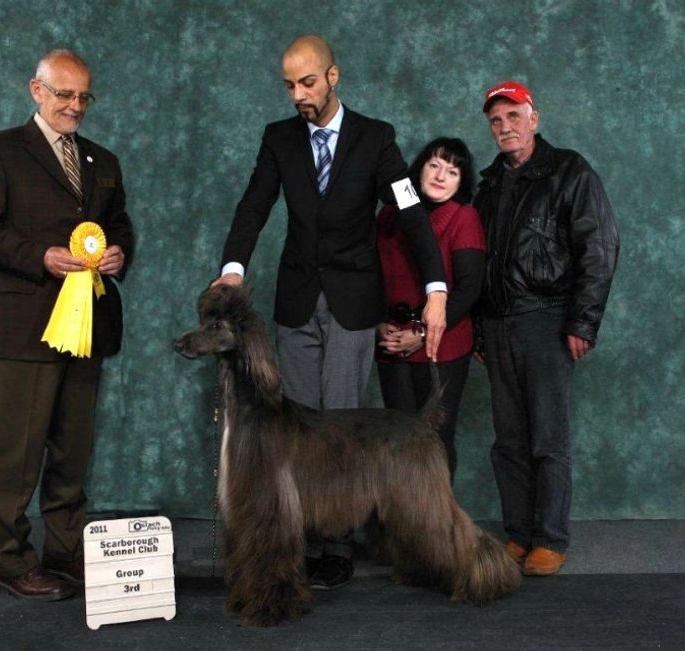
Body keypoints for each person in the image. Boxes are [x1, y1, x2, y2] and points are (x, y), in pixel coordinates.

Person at [213, 34, 448, 589]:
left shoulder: (376, 139)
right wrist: (233, 268)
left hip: (351, 303)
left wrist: (436, 285)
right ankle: (298, 539)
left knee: (339, 423)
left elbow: (411, 214)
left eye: (308, 82)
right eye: (290, 84)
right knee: (294, 426)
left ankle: (336, 545)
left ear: (333, 76)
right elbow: (254, 205)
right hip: (295, 302)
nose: (298, 94)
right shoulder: (278, 140)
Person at [0, 49, 134, 600]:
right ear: (37, 90)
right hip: (25, 325)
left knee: (72, 450)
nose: (75, 106)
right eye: (64, 94)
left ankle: (65, 550)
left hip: (90, 325)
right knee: (18, 453)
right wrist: (41, 256)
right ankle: (13, 562)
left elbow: (119, 222)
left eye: (84, 96)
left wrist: (120, 252)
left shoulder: (103, 160)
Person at [474, 81, 619, 575]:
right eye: (496, 121)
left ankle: (551, 538)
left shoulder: (569, 170)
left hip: (547, 317)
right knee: (508, 438)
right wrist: (476, 329)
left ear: (534, 118)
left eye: (513, 116)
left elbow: (599, 246)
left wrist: (582, 320)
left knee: (547, 437)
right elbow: (474, 264)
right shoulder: (489, 182)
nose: (505, 127)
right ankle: (517, 533)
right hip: (496, 323)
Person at [376, 138, 485, 480]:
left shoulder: (464, 218)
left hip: (443, 344)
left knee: (434, 441)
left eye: (452, 171)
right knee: (397, 440)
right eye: (434, 165)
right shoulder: (391, 215)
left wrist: (421, 334)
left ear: (461, 182)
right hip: (391, 342)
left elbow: (468, 290)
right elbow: (372, 275)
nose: (440, 176)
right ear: (419, 167)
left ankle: (435, 527)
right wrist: (378, 324)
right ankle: (402, 527)